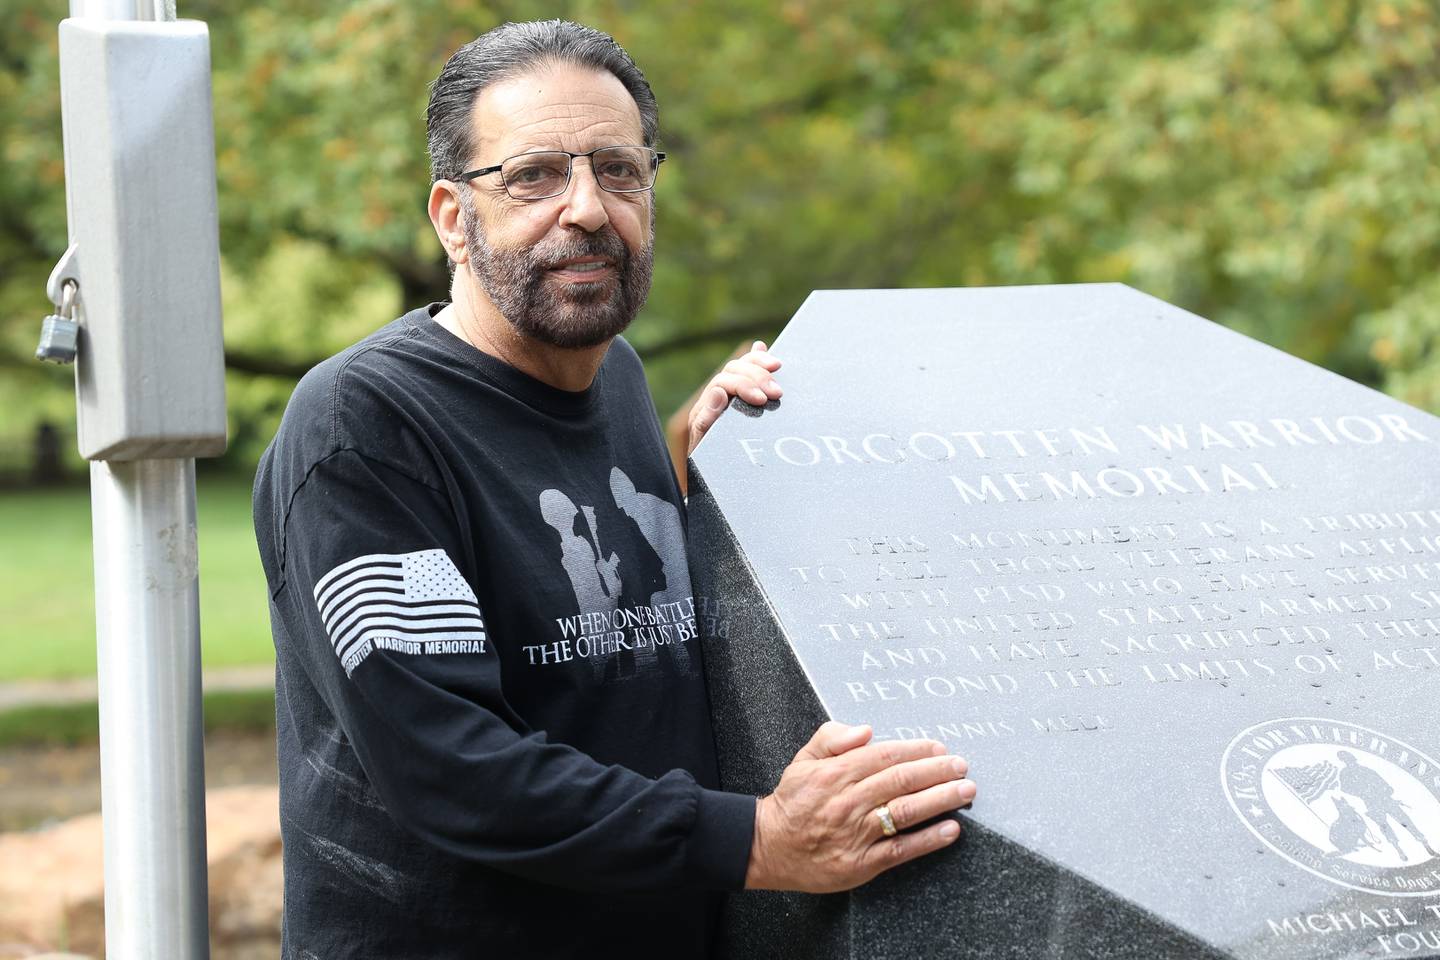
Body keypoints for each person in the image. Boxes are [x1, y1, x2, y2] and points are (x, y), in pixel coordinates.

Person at [252, 19, 975, 958]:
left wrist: (721, 480)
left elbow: (613, 647)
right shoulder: (366, 425)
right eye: (534, 175)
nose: (588, 207)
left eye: (620, 169)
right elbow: (451, 765)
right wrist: (758, 840)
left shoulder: (618, 381)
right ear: (450, 218)